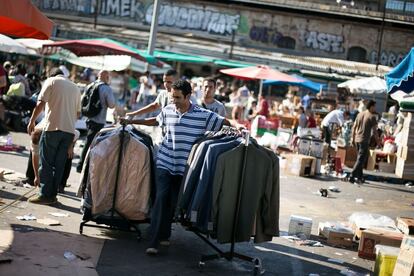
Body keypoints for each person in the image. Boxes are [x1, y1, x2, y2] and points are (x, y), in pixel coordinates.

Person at [120, 79, 243, 255]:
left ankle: (165, 234)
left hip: (184, 168)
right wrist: (132, 121)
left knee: (173, 203)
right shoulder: (169, 109)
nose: (174, 101)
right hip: (164, 161)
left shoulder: (203, 115)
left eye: (178, 97)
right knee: (161, 198)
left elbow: (224, 122)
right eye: (172, 97)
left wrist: (238, 126)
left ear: (188, 96)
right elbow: (155, 120)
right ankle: (153, 241)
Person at [27, 67, 81, 205]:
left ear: (52, 75)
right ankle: (53, 195)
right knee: (59, 165)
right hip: (69, 131)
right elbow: (78, 114)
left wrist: (32, 120)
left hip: (53, 128)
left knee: (46, 163)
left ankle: (45, 195)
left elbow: (40, 103)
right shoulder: (75, 87)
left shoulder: (51, 81)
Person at [76, 70, 115, 173]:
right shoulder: (106, 88)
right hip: (99, 120)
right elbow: (112, 105)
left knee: (88, 141)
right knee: (92, 143)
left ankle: (83, 165)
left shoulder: (90, 85)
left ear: (98, 75)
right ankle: (82, 165)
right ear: (107, 77)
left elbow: (82, 100)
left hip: (88, 118)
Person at [350, 100, 380, 184]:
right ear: (371, 106)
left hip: (357, 139)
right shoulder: (372, 116)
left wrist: (352, 139)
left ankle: (360, 177)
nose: (375, 108)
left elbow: (354, 127)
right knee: (361, 159)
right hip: (364, 140)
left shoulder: (359, 114)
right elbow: (375, 131)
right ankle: (352, 176)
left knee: (360, 159)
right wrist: (378, 142)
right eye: (374, 106)